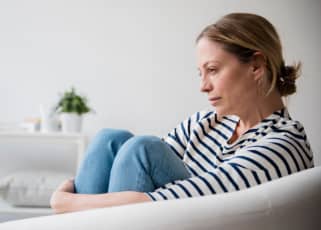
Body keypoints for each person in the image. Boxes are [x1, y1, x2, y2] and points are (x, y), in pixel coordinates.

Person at [50, 12, 314, 213]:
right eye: (200, 73)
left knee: (142, 148)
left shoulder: (282, 144)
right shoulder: (205, 122)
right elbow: (137, 173)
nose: (203, 86)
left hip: (197, 218)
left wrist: (66, 202)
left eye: (212, 70)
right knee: (111, 139)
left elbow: (179, 198)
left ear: (256, 66)